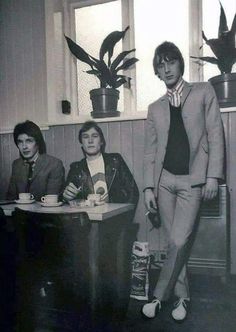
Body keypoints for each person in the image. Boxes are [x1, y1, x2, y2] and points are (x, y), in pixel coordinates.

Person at [142, 41, 224, 322]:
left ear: (180, 64)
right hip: (164, 181)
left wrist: (213, 175)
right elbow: (151, 151)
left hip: (193, 180)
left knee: (178, 240)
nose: (166, 69)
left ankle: (157, 296)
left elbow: (215, 135)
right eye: (160, 65)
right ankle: (184, 298)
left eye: (170, 62)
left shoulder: (203, 91)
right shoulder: (155, 108)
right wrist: (148, 188)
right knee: (171, 243)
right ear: (157, 71)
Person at [63, 120, 139, 206]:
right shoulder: (76, 168)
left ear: (101, 141)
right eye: (85, 137)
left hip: (115, 217)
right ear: (82, 144)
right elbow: (64, 198)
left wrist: (122, 216)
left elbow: (133, 192)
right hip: (88, 218)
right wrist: (66, 197)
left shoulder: (115, 160)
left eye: (94, 136)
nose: (90, 141)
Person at [7, 120, 65, 201]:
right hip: (20, 213)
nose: (24, 147)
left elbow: (52, 200)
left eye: (29, 141)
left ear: (38, 142)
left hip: (45, 213)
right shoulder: (16, 164)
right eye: (20, 142)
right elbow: (10, 198)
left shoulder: (54, 164)